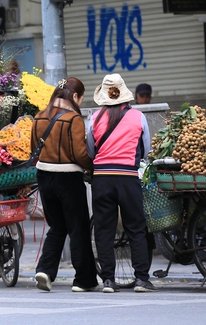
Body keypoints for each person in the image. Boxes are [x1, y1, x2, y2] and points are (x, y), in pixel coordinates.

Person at [87, 74, 157, 293]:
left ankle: (108, 280)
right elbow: (146, 150)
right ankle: (141, 280)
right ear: (125, 95)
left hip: (102, 179)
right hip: (128, 178)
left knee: (104, 230)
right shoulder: (138, 117)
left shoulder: (94, 117)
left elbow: (91, 150)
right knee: (136, 228)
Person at [32, 77, 98, 293]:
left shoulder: (39, 116)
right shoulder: (73, 119)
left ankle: (45, 271)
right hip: (68, 178)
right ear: (75, 96)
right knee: (77, 228)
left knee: (57, 226)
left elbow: (34, 149)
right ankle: (84, 280)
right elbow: (80, 154)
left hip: (44, 176)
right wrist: (91, 166)